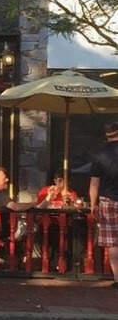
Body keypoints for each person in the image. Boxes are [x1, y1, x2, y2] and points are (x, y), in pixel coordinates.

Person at [89, 121, 118, 288]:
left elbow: (94, 184)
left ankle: (117, 278)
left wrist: (93, 204)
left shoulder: (100, 155)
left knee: (114, 242)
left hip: (108, 200)